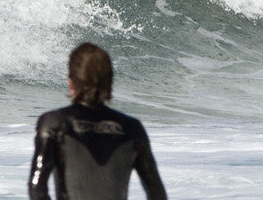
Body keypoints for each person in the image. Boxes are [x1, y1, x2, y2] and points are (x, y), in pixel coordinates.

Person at [29, 42, 167, 200]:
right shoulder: (132, 128)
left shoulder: (54, 123)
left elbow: (37, 190)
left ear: (71, 82)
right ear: (109, 82)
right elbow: (157, 193)